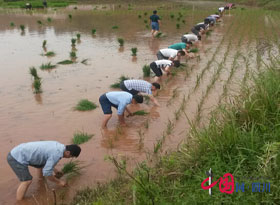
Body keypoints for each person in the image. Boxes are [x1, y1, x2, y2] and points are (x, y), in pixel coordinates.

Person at [7, 141, 81, 200]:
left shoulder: (59, 146)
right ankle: (19, 201)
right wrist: (59, 182)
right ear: (68, 152)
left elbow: (48, 160)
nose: (69, 158)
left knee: (41, 165)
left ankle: (40, 182)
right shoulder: (57, 153)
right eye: (71, 156)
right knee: (27, 180)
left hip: (20, 151)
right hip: (16, 158)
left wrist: (55, 171)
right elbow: (47, 173)